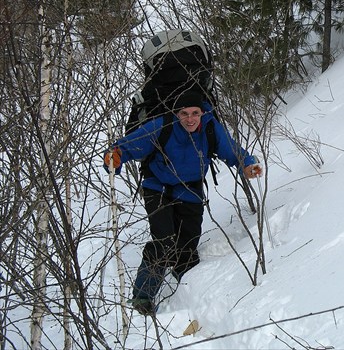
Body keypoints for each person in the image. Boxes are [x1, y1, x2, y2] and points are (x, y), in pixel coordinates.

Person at [103, 91, 263, 315]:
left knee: (187, 243)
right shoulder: (162, 125)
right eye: (184, 113)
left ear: (202, 112)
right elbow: (129, 145)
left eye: (195, 113)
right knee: (165, 239)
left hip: (190, 188)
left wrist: (247, 164)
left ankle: (188, 288)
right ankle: (143, 296)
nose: (190, 119)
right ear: (176, 114)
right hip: (157, 185)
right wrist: (115, 156)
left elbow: (231, 148)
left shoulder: (209, 126)